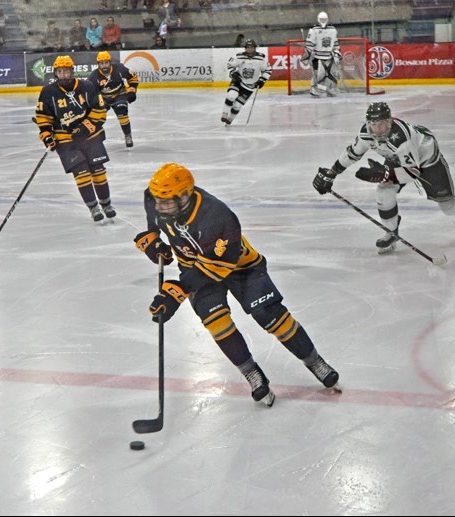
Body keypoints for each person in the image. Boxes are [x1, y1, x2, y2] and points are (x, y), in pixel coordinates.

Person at [135, 163, 341, 406]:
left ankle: (314, 361)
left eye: (166, 201)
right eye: (158, 200)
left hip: (240, 266)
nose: (160, 206)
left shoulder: (217, 216)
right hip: (194, 267)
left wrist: (177, 290)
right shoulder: (156, 197)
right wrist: (152, 238)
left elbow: (215, 267)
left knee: (269, 315)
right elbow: (153, 213)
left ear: (185, 196)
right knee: (217, 324)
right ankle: (252, 373)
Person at [312, 101, 455, 254]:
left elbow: (413, 172)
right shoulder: (366, 133)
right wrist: (331, 173)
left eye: (382, 124)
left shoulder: (402, 138)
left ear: (389, 121)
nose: (378, 129)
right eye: (374, 124)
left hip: (427, 163)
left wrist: (385, 173)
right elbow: (352, 153)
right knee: (384, 190)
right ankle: (391, 233)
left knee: (448, 207)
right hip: (398, 160)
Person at [34, 55, 116, 223]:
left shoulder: (87, 86)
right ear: (56, 73)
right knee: (82, 173)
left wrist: (85, 127)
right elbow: (43, 117)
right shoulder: (48, 92)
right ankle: (93, 208)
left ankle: (106, 204)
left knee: (98, 171)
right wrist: (47, 135)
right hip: (66, 141)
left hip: (90, 137)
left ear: (72, 71)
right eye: (60, 72)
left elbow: (100, 110)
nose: (63, 75)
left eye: (66, 71)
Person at [87, 50, 139, 148]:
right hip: (103, 97)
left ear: (110, 62)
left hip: (120, 94)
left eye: (106, 62)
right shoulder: (93, 76)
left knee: (122, 112)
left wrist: (132, 90)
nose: (104, 65)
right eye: (102, 63)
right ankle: (94, 138)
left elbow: (133, 78)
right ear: (98, 64)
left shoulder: (120, 68)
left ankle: (128, 135)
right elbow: (93, 93)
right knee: (95, 117)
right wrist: (101, 103)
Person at [220, 38, 271, 126]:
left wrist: (262, 80)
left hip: (250, 86)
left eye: (251, 47)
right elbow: (229, 65)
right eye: (248, 47)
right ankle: (224, 113)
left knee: (237, 106)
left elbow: (268, 70)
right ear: (245, 48)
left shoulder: (261, 58)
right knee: (231, 95)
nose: (249, 49)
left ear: (255, 48)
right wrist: (233, 73)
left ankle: (229, 120)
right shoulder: (239, 56)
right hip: (238, 81)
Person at [303, 11, 341, 97]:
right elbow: (309, 44)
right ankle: (314, 88)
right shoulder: (313, 30)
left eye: (324, 19)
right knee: (318, 74)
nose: (323, 20)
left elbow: (335, 43)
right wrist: (307, 56)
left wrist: (337, 53)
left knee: (332, 74)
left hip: (329, 56)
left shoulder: (332, 30)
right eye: (321, 19)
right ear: (318, 19)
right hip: (317, 57)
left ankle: (331, 89)